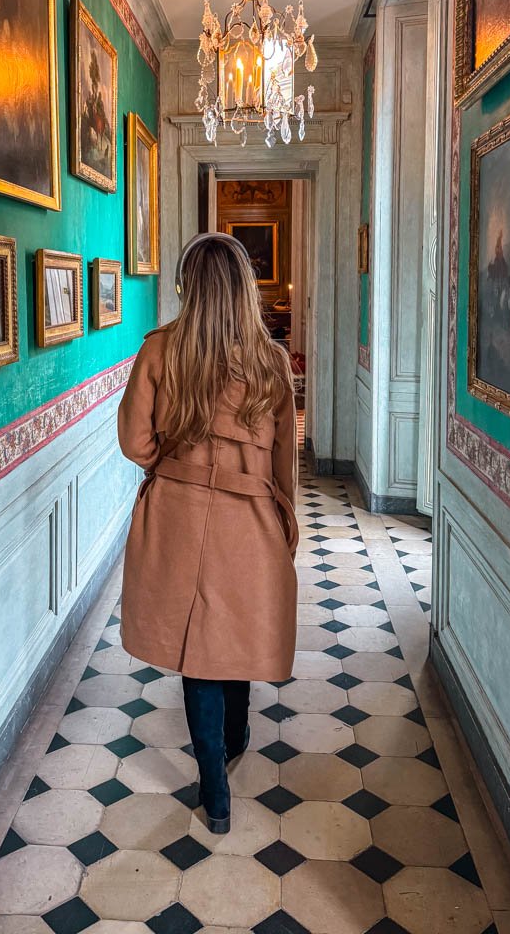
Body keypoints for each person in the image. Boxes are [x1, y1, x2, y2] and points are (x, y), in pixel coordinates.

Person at [117, 232, 299, 833]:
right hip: (250, 519)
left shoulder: (161, 351)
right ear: (246, 288)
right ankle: (239, 734)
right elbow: (283, 464)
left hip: (178, 514)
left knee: (199, 651)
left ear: (186, 288)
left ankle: (214, 794)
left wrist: (176, 466)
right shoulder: (271, 361)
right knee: (236, 630)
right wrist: (285, 524)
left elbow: (134, 443)